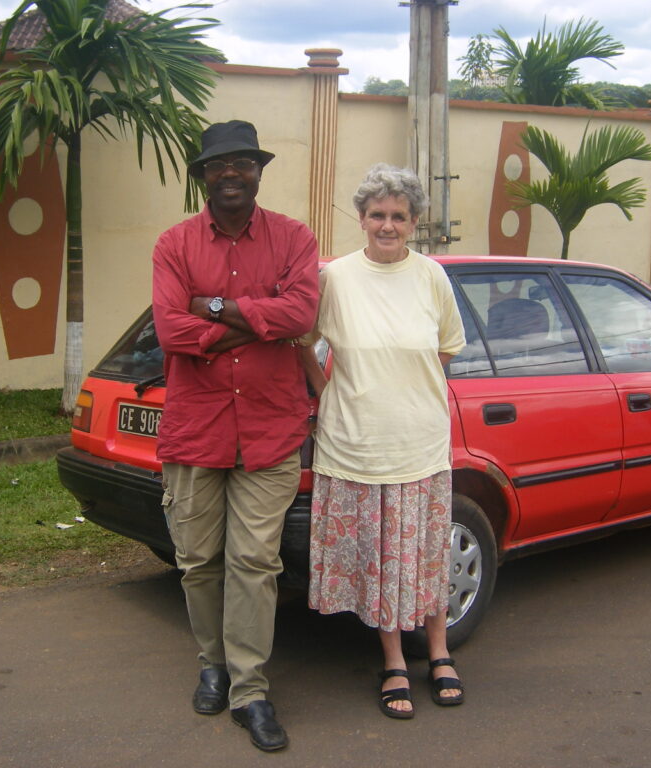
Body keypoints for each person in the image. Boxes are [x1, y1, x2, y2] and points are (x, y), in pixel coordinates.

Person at [151, 120, 319, 752]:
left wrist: (215, 308)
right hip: (197, 431)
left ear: (257, 172)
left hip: (271, 429)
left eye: (243, 163)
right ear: (202, 175)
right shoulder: (174, 244)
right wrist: (259, 319)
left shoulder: (293, 238)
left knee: (255, 563)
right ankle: (212, 664)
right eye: (219, 165)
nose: (231, 173)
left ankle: (250, 690)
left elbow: (301, 314)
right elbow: (171, 331)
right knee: (199, 562)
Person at [300, 163, 466, 719]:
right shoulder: (335, 278)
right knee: (380, 560)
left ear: (414, 220)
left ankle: (439, 653)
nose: (388, 225)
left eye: (399, 216)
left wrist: (407, 389)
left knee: (424, 556)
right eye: (378, 215)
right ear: (362, 218)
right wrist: (327, 393)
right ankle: (394, 660)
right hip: (355, 445)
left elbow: (445, 349)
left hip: (420, 445)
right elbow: (304, 343)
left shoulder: (432, 277)